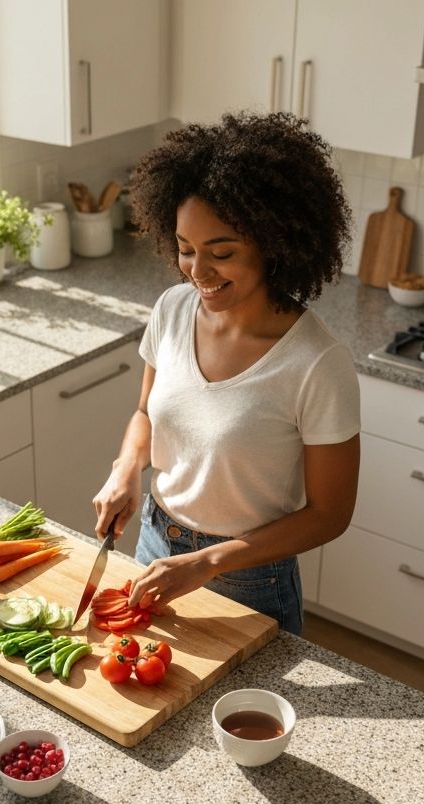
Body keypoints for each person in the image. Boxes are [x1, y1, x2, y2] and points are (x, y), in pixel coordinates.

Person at [92, 111, 360, 636]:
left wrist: (208, 562)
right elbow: (146, 413)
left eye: (222, 252)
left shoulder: (316, 363)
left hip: (250, 579)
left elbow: (330, 513)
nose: (197, 272)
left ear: (274, 244)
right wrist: (126, 469)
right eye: (186, 249)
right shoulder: (172, 309)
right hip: (154, 545)